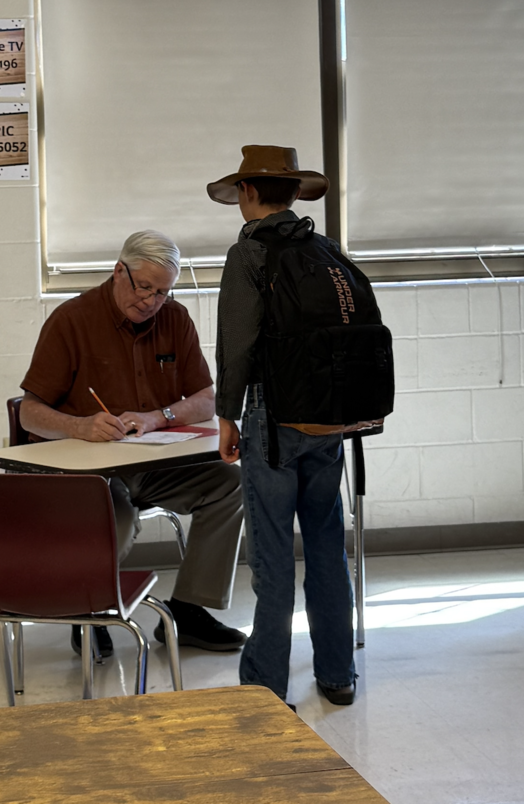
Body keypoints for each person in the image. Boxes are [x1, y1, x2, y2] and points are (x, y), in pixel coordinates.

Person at [20, 229, 246, 658]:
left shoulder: (174, 319)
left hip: (153, 466)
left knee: (229, 484)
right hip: (92, 474)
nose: (151, 302)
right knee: (115, 517)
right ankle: (90, 611)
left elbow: (206, 399)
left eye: (163, 292)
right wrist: (79, 426)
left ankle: (188, 611)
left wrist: (157, 417)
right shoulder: (73, 320)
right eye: (144, 288)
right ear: (118, 271)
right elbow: (29, 412)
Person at [209, 145, 361, 706]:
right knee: (325, 547)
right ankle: (338, 675)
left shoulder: (248, 254)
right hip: (329, 421)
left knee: (272, 556)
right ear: (295, 194)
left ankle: (266, 687)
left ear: (247, 193)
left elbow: (238, 344)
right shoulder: (326, 249)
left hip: (271, 420)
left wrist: (227, 416)